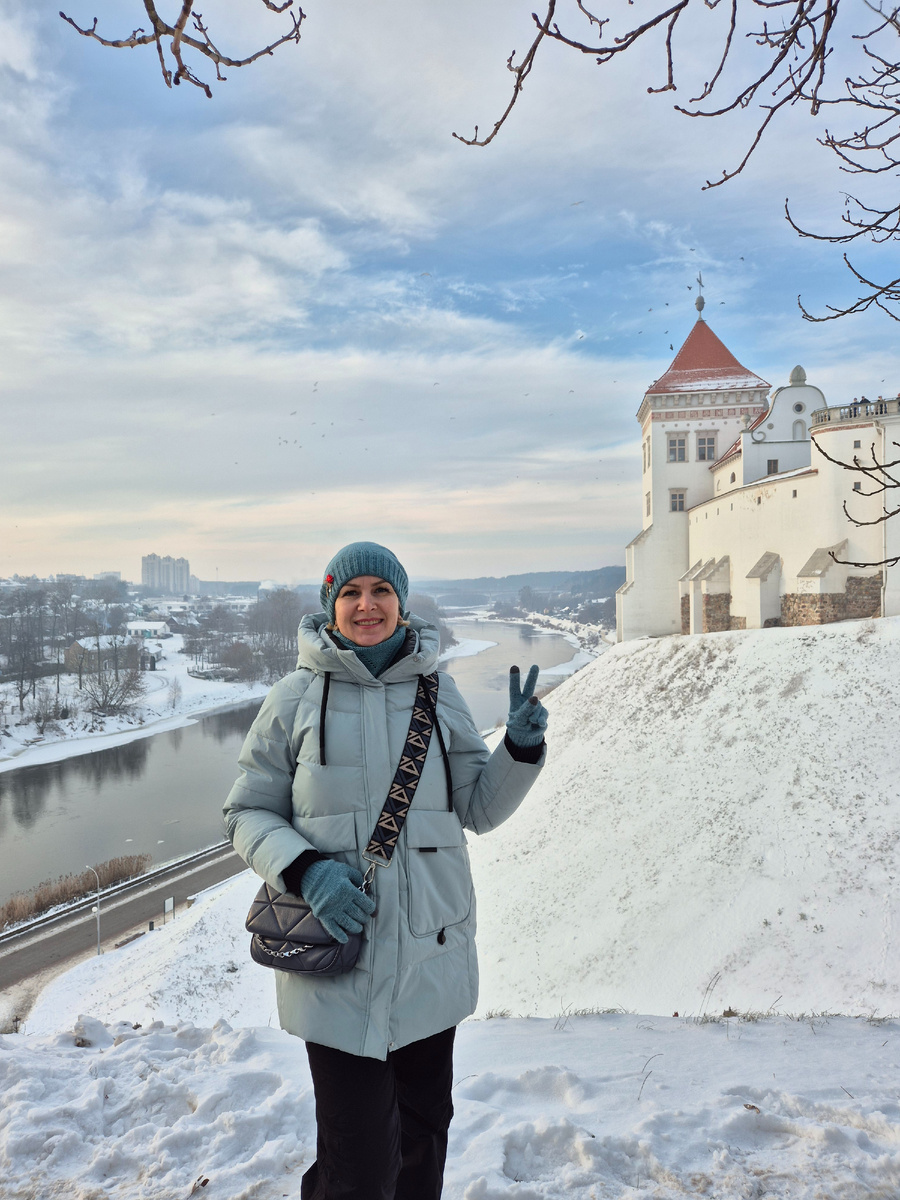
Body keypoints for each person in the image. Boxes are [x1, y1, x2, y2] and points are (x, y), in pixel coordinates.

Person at [223, 541, 548, 1200]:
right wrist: (307, 870)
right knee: (359, 1168)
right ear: (330, 605)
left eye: (381, 591)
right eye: (350, 592)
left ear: (401, 602)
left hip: (430, 959)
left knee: (422, 1150)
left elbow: (479, 809)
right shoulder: (294, 699)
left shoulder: (438, 693)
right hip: (339, 967)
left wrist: (519, 747)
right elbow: (245, 812)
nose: (366, 604)